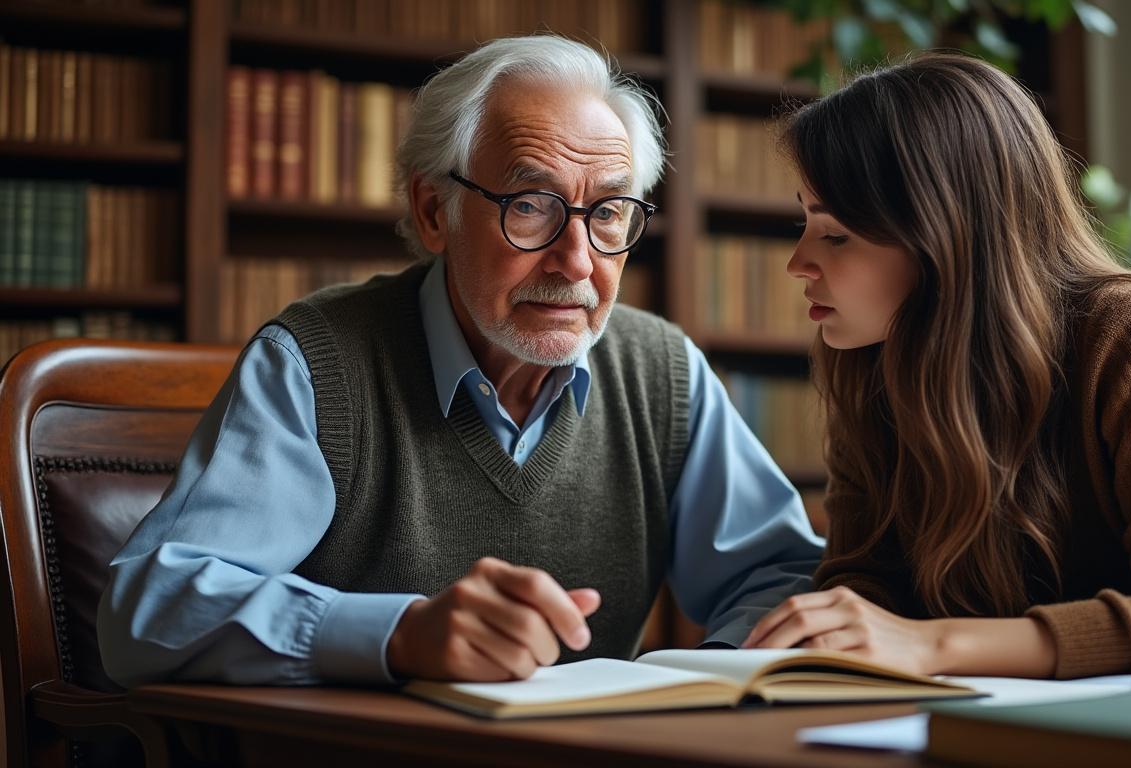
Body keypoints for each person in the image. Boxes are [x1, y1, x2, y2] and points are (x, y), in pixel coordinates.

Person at [98, 35, 822, 687]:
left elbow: (780, 575)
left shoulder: (661, 372)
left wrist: (723, 679)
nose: (577, 262)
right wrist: (401, 636)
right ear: (432, 212)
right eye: (532, 204)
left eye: (607, 212)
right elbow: (148, 609)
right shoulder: (316, 363)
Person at [744, 52, 1131, 686]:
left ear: (944, 236)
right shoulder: (870, 363)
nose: (797, 263)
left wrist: (934, 644)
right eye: (805, 223)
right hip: (1041, 724)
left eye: (834, 235)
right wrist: (836, 629)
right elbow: (868, 578)